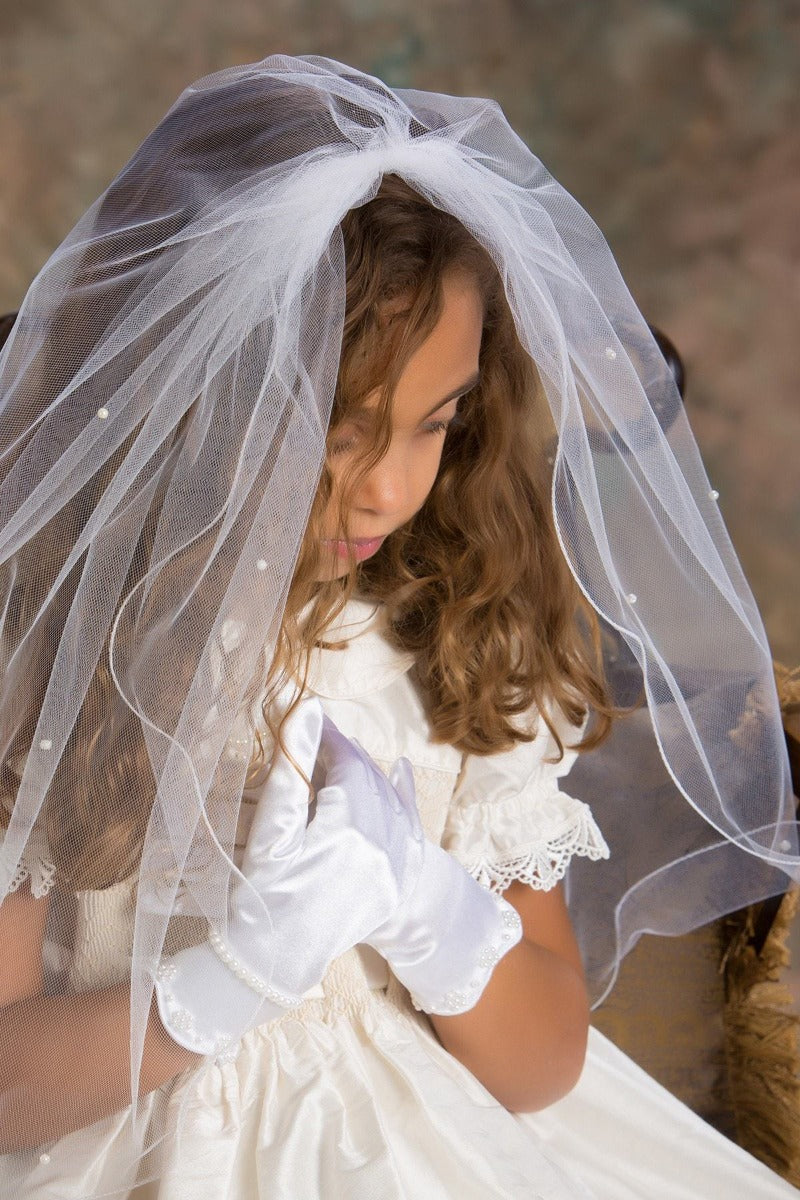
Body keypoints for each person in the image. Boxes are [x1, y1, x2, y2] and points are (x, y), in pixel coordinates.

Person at [0, 55, 796, 1199]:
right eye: (340, 430)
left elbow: (541, 1065)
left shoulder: (458, 638)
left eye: (434, 424)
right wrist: (227, 982)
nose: (386, 489)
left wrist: (426, 908)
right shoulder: (53, 645)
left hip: (435, 1144)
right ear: (206, 401)